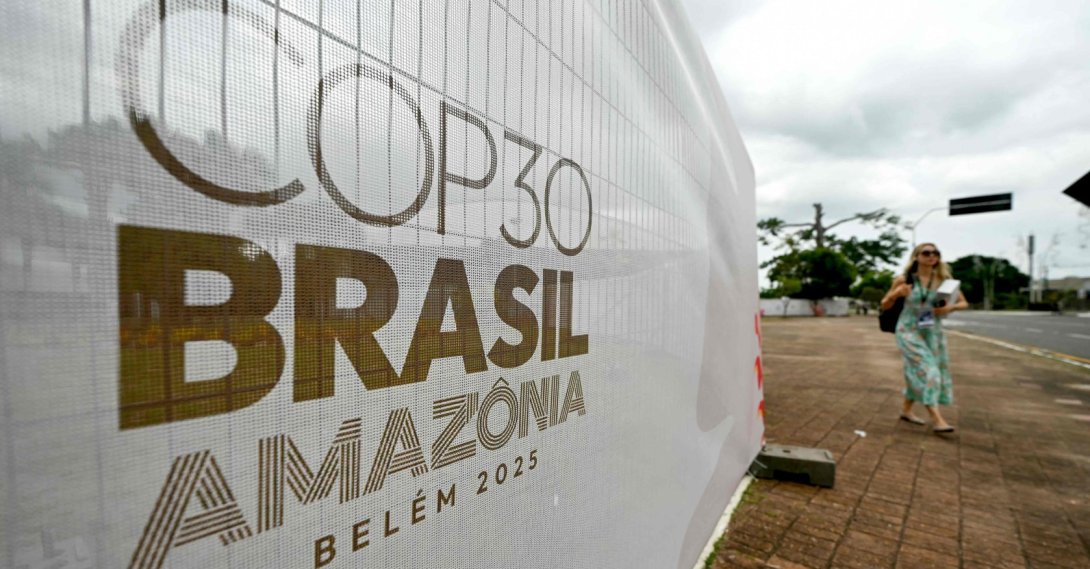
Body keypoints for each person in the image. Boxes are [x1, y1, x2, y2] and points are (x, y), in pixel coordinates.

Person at [880, 243, 969, 434]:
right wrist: (896, 294)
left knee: (918, 370)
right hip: (908, 330)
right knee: (930, 371)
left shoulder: (944, 281)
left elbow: (964, 302)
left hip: (932, 331)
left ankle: (906, 410)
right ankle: (937, 419)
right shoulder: (905, 280)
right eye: (926, 253)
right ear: (916, 257)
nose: (931, 256)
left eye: (935, 253)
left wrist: (950, 308)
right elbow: (885, 304)